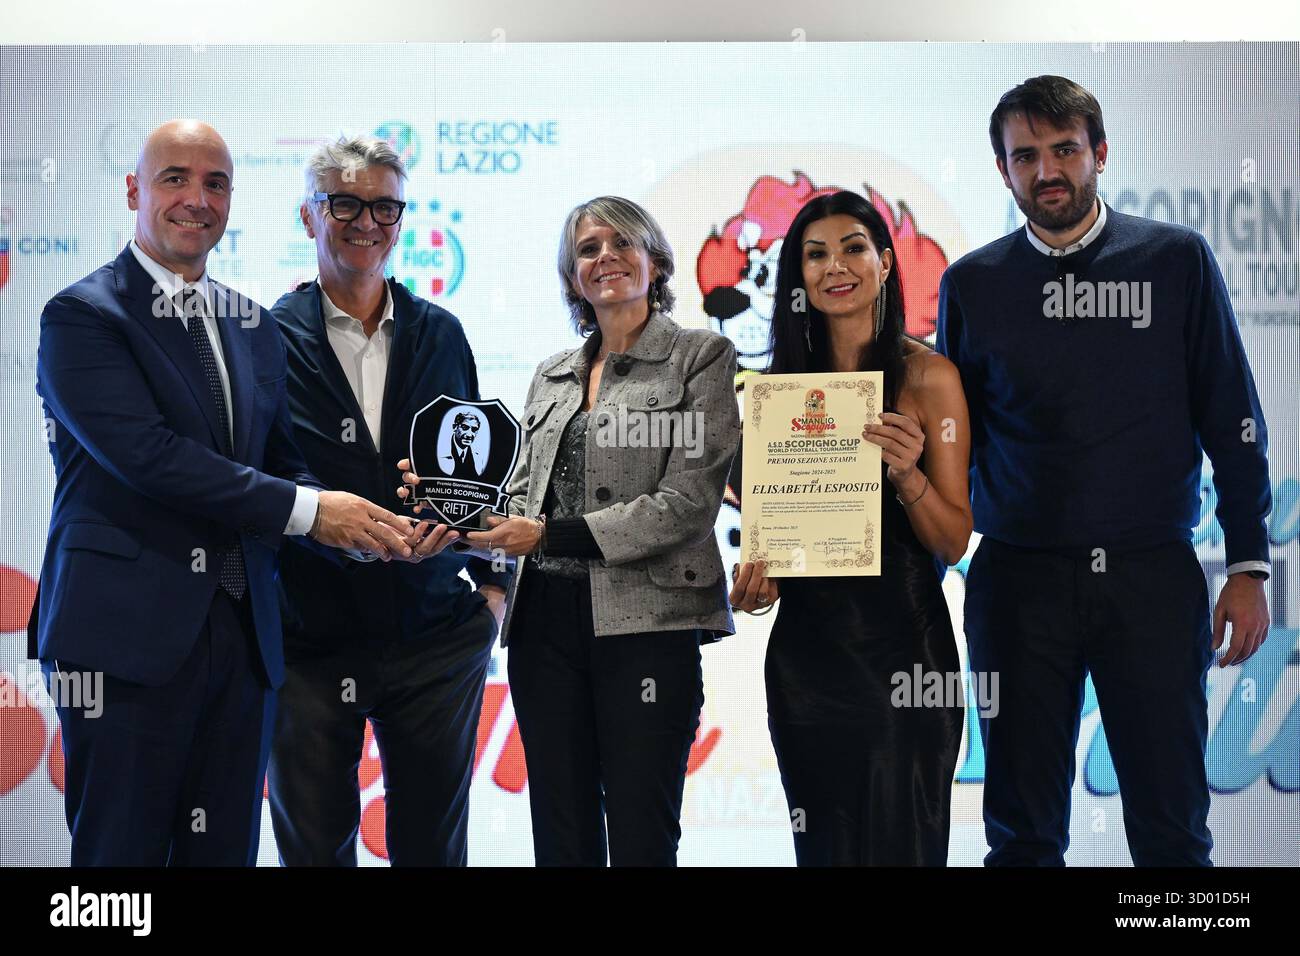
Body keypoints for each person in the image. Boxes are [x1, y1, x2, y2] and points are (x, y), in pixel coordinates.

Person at [28, 120, 414, 867]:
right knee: (119, 864)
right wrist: (312, 512)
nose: (195, 199)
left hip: (244, 642)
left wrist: (362, 527)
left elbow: (279, 461)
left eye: (215, 183)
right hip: (124, 644)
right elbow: (151, 458)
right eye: (175, 178)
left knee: (224, 855)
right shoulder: (82, 316)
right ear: (136, 190)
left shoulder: (251, 323)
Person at [938, 75, 1272, 866]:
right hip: (1016, 583)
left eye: (1065, 150)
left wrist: (1250, 565)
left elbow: (1234, 419)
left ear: (1100, 153)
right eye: (1027, 156)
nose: (1047, 171)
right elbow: (951, 441)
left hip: (1151, 578)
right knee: (1021, 836)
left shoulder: (1176, 261)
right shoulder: (972, 284)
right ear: (1003, 170)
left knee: (1173, 832)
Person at [400, 196, 740, 866]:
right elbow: (522, 500)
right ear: (571, 275)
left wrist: (547, 538)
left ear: (656, 260)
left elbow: (685, 505)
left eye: (622, 242)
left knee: (643, 837)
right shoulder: (550, 374)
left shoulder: (701, 356)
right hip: (543, 630)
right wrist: (450, 515)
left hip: (647, 629)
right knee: (561, 838)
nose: (606, 257)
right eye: (588, 249)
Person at [267, 135, 509, 866]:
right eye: (344, 202)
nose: (366, 221)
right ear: (309, 216)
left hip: (435, 634)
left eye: (384, 205)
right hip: (308, 638)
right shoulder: (263, 338)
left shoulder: (442, 332)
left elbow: (482, 474)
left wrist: (495, 588)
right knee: (314, 851)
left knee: (433, 853)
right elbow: (248, 478)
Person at [729, 190, 973, 866]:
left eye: (853, 247)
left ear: (887, 263)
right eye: (815, 254)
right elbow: (769, 550)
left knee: (904, 849)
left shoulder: (930, 378)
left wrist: (908, 477)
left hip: (905, 658)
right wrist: (755, 579)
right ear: (796, 277)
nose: (835, 266)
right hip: (805, 663)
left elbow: (952, 540)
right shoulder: (774, 396)